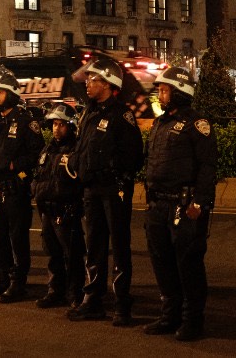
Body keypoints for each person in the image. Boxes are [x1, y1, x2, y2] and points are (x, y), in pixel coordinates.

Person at [68, 57, 144, 325]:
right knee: (94, 246)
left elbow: (134, 156)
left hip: (113, 189)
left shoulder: (121, 115)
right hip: (91, 189)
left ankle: (122, 304)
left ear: (108, 83)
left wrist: (112, 171)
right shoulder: (89, 112)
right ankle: (94, 300)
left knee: (120, 246)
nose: (87, 83)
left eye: (93, 79)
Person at [143, 66, 217, 341]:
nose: (160, 94)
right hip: (159, 206)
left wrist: (200, 203)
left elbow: (207, 167)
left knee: (188, 265)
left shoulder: (197, 125)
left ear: (180, 92)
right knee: (162, 263)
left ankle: (192, 321)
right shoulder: (160, 124)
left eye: (164, 90)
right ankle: (169, 316)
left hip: (184, 206)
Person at [0, 66, 45, 303]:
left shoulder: (26, 121)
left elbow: (37, 154)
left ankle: (18, 283)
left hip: (14, 190)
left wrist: (17, 166)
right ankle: (1, 278)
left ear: (11, 94)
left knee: (17, 238)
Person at [31, 103, 86, 310]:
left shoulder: (76, 149)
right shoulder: (48, 148)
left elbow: (74, 181)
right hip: (48, 209)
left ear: (71, 126)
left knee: (72, 255)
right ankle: (55, 290)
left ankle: (75, 292)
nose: (56, 128)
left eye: (61, 124)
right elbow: (39, 174)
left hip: (66, 210)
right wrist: (37, 189)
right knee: (52, 253)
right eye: (54, 124)